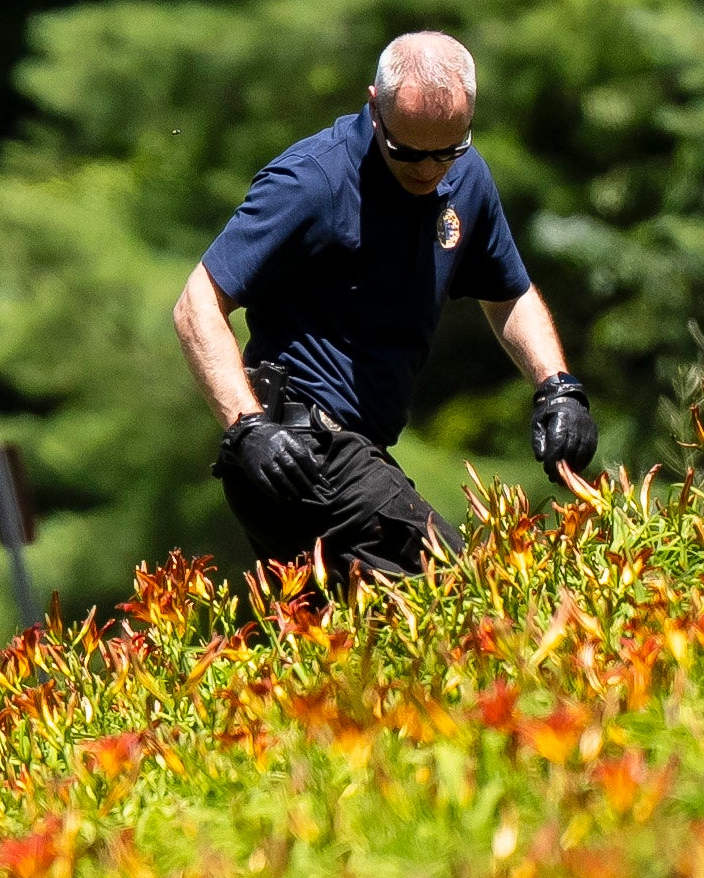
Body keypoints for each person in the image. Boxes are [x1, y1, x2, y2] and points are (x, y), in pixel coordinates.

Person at [170, 31, 595, 577]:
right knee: (462, 595)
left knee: (358, 651)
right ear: (374, 107)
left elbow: (507, 293)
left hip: (358, 452)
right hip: (297, 450)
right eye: (408, 152)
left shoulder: (466, 178)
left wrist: (557, 388)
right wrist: (246, 427)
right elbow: (196, 304)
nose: (428, 169)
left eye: (448, 150)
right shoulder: (311, 181)